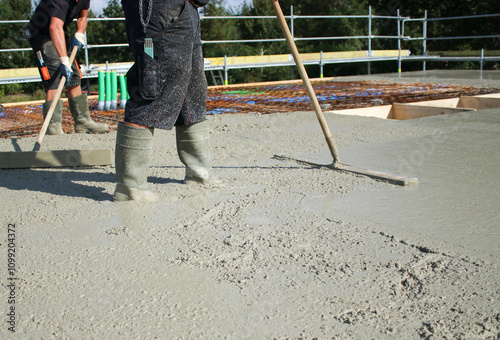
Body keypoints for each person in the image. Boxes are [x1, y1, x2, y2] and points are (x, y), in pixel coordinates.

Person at [115, 0, 212, 201]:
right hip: (158, 8)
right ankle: (131, 187)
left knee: (192, 90)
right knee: (152, 88)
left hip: (188, 9)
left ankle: (198, 173)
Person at [26, 0, 109, 135]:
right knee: (55, 75)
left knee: (74, 74)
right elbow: (54, 27)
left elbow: (83, 16)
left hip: (59, 31)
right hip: (41, 34)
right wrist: (63, 60)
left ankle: (82, 121)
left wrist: (80, 33)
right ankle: (53, 127)